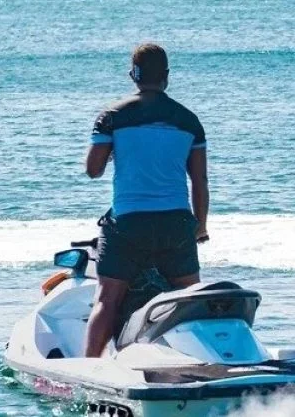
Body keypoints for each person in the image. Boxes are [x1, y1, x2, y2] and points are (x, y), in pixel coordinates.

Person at [83, 43, 209, 357]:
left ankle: (87, 369)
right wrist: (201, 226)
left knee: (107, 300)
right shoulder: (189, 120)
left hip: (128, 223)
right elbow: (200, 181)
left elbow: (92, 170)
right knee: (191, 298)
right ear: (166, 76)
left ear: (134, 75)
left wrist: (116, 150)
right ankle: (205, 364)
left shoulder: (112, 117)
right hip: (176, 223)